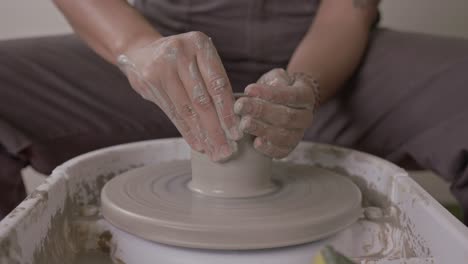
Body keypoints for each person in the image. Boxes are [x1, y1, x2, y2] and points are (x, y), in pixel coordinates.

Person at [1, 0, 467, 225]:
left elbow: (347, 10)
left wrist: (301, 89)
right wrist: (133, 48)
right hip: (163, 48)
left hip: (330, 56)